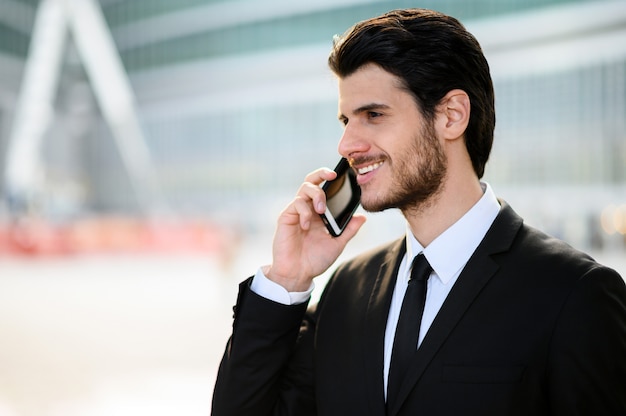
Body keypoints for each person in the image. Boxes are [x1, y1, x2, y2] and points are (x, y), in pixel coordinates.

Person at [211, 8, 626, 416]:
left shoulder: (573, 294)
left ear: (451, 116)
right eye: (345, 120)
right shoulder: (345, 291)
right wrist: (288, 279)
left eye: (373, 115)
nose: (347, 144)